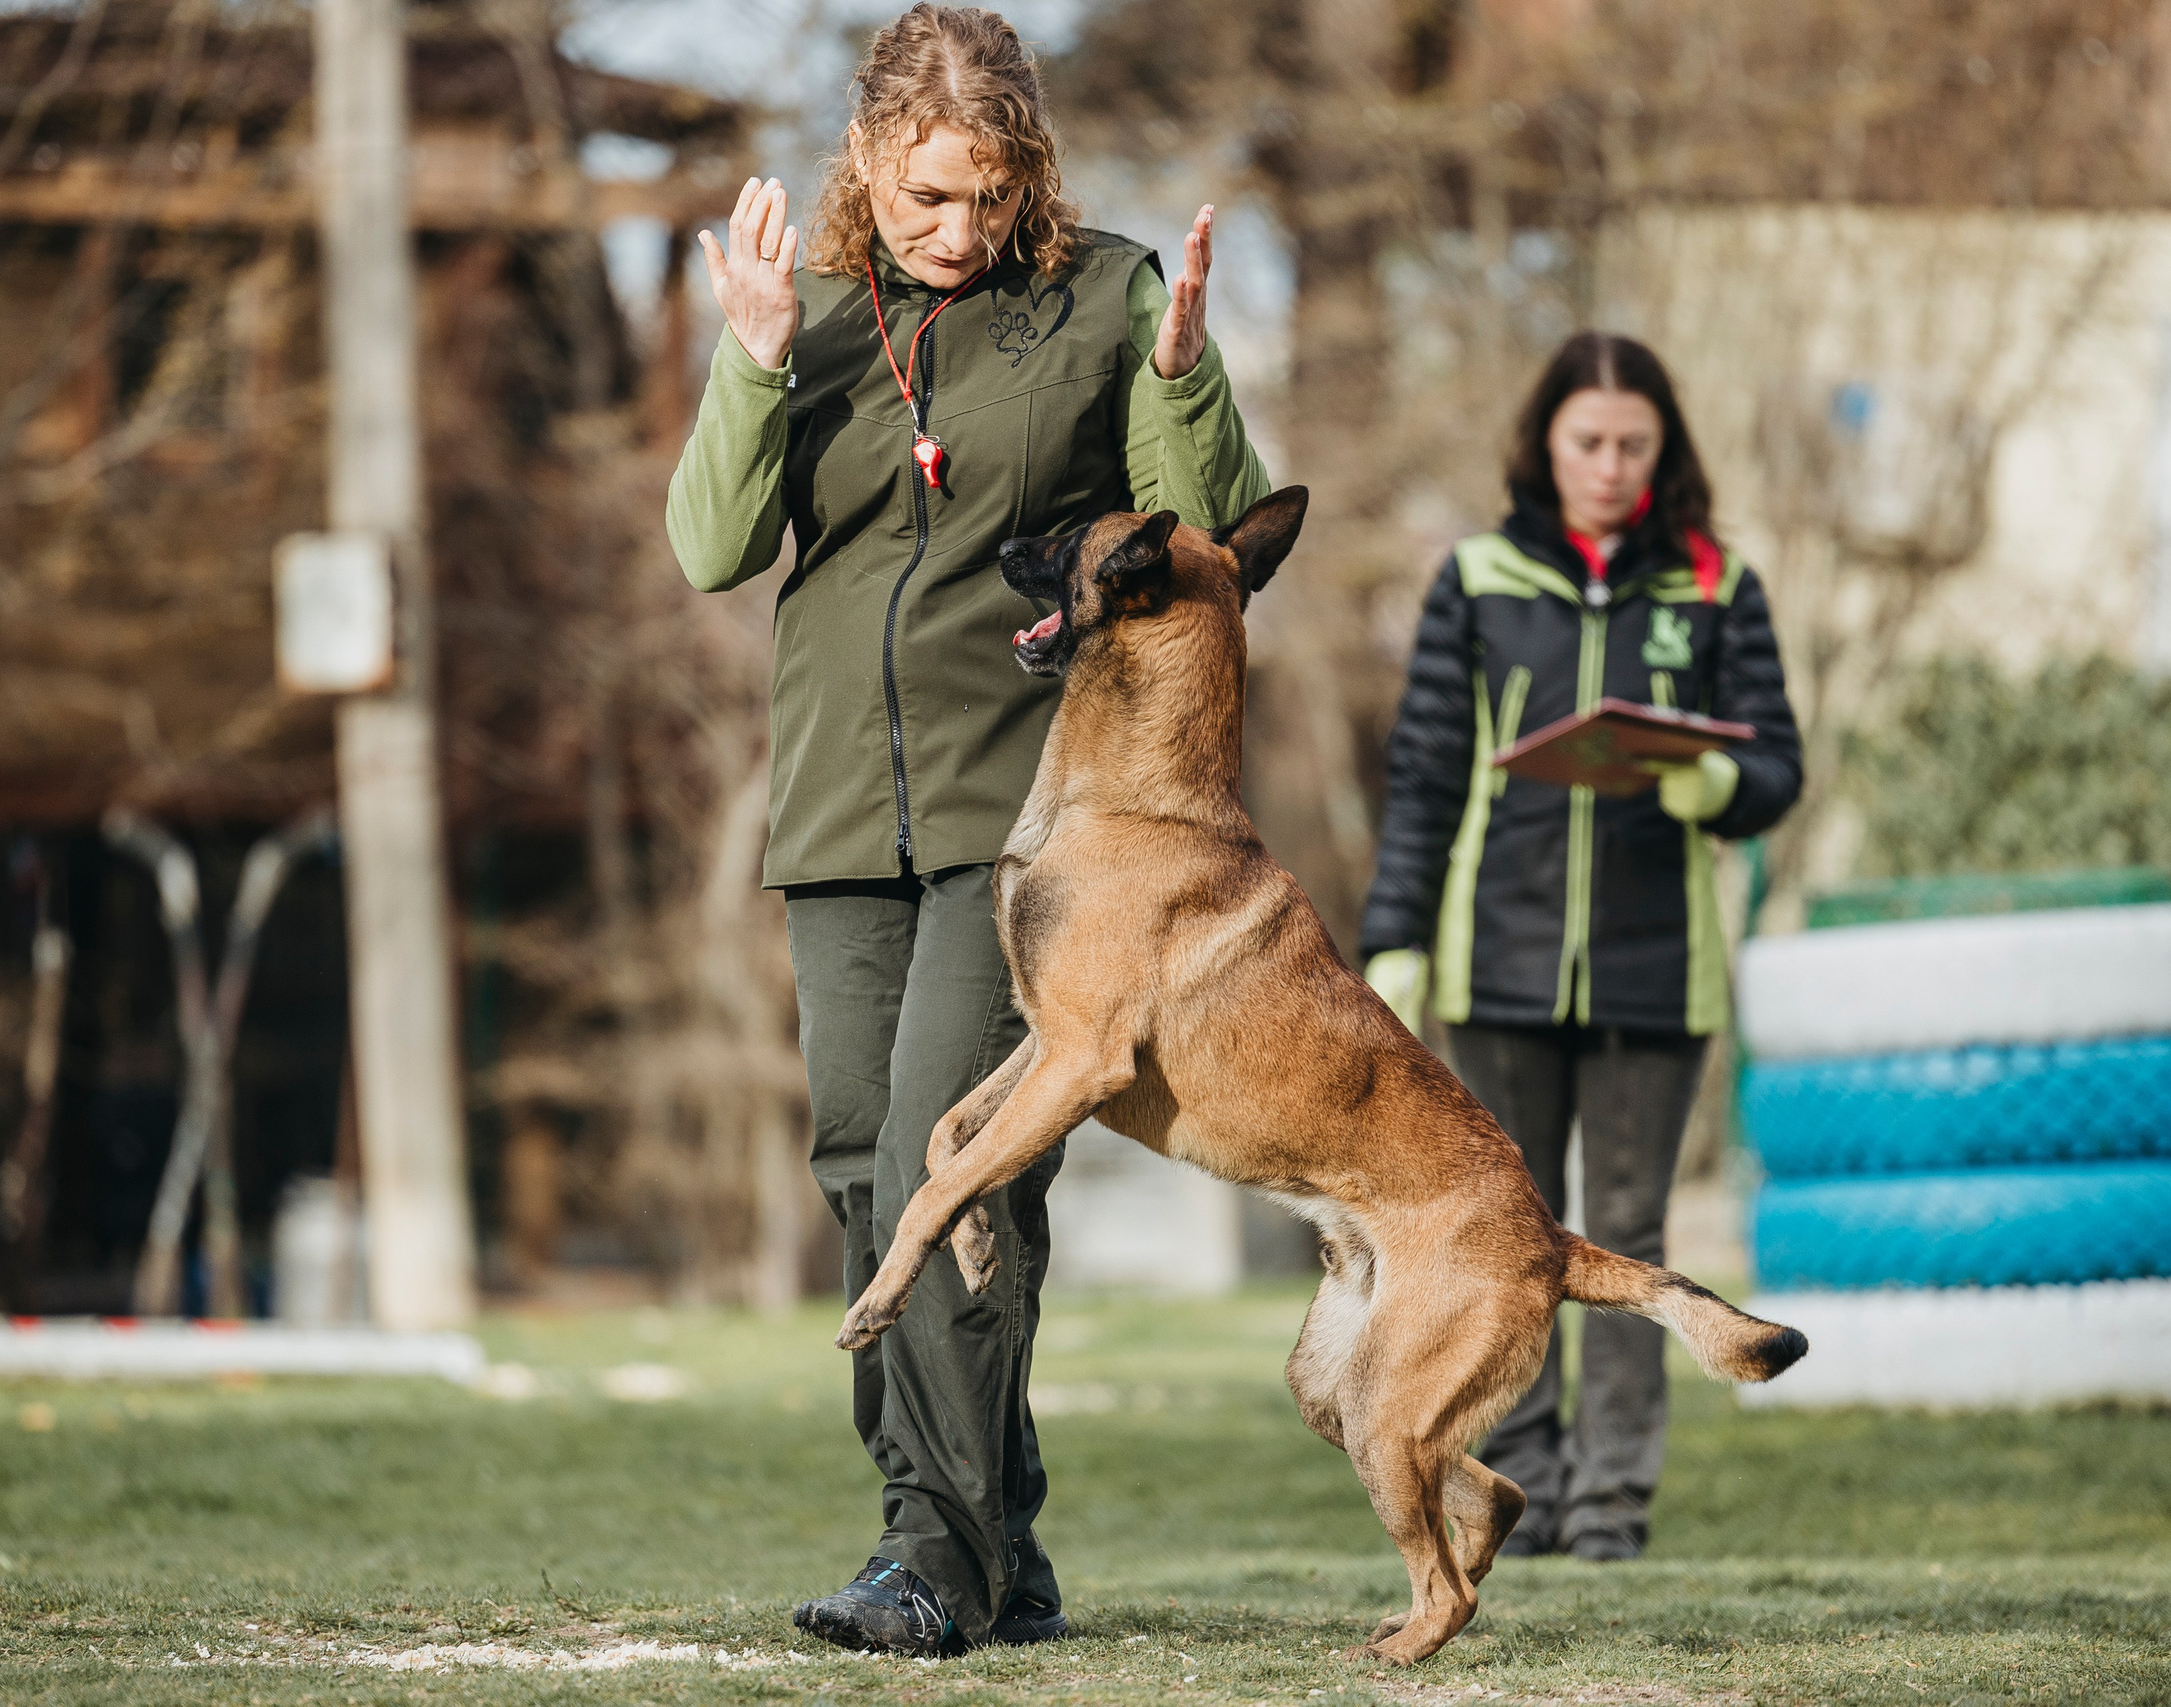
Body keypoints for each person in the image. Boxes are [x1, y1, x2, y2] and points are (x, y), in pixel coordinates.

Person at [665, 2, 1270, 1657]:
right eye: (926, 196)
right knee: (865, 1167)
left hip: (1030, 820)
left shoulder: (1106, 296)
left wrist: (1187, 376)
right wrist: (753, 353)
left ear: (1028, 173)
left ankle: (936, 1558)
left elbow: (1206, 530)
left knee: (956, 1149)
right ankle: (992, 1535)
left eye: (986, 193)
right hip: (841, 807)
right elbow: (716, 549)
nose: (957, 227)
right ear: (868, 164)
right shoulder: (822, 320)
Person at [1357, 331, 1801, 1562]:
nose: (1609, 466)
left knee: (1626, 1232)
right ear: (1545, 447)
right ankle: (1531, 1485)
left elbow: (1776, 768)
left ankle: (1612, 1501)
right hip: (1492, 969)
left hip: (1659, 978)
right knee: (1504, 1238)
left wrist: (1717, 777)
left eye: (1633, 446)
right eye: (1587, 442)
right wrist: (1394, 944)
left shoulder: (1718, 586)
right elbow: (1426, 773)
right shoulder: (1479, 576)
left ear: (1666, 454)